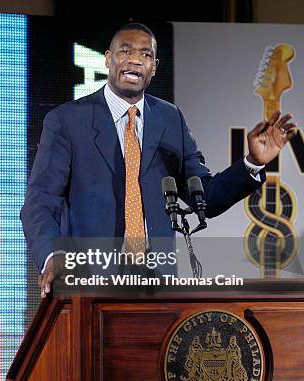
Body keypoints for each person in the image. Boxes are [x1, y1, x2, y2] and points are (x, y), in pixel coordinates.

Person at [20, 23, 298, 298]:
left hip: (157, 286)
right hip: (89, 282)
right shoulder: (68, 121)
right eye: (125, 51)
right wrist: (52, 255)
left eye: (145, 54)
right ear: (107, 59)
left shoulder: (169, 119)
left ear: (154, 67)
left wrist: (252, 162)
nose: (134, 60)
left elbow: (206, 197)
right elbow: (39, 203)